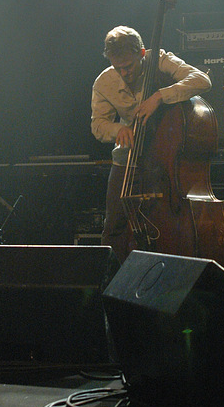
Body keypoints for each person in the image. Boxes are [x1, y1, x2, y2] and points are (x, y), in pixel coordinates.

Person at [91, 26, 212, 263]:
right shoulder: (104, 82)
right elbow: (98, 125)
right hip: (128, 161)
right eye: (119, 68)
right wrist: (120, 129)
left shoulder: (159, 60)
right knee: (114, 226)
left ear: (142, 53)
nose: (124, 73)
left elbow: (202, 80)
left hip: (165, 162)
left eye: (129, 66)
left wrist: (159, 96)